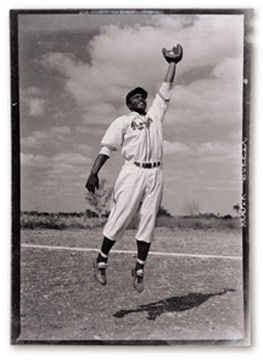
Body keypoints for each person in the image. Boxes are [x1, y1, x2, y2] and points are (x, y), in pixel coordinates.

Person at [85, 44, 183, 292]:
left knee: (149, 219)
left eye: (142, 96)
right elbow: (107, 148)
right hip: (133, 171)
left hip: (156, 172)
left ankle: (139, 268)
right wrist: (94, 173)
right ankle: (101, 259)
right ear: (129, 104)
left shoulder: (155, 115)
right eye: (135, 97)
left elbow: (166, 89)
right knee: (121, 216)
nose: (141, 99)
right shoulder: (123, 121)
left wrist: (173, 63)